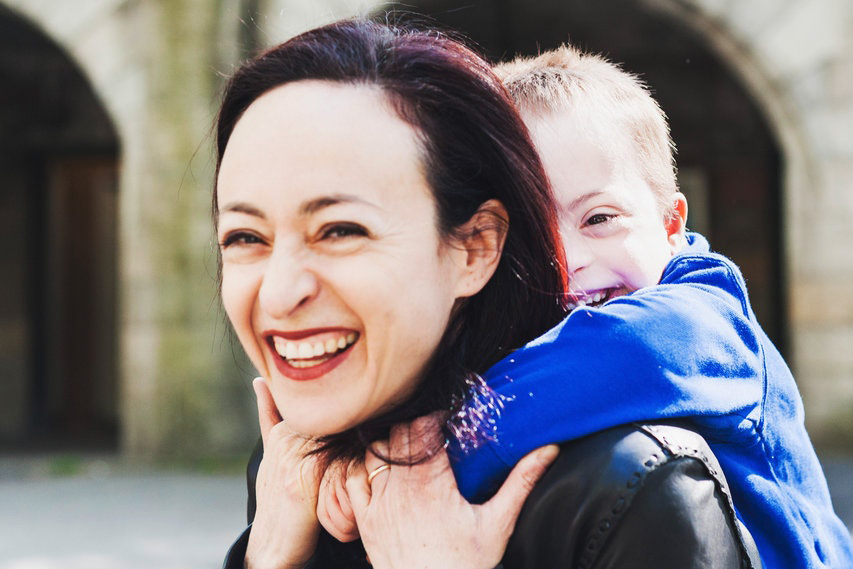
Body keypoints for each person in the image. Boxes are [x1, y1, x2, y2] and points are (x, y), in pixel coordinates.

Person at [215, 18, 757, 569]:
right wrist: (264, 555)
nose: (281, 293)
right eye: (244, 237)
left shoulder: (636, 486)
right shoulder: (292, 461)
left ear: (476, 248)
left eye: (341, 231)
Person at [446, 47, 853, 569]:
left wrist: (406, 460)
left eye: (599, 218)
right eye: (530, 235)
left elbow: (615, 352)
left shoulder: (701, 319)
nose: (566, 261)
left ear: (671, 225)